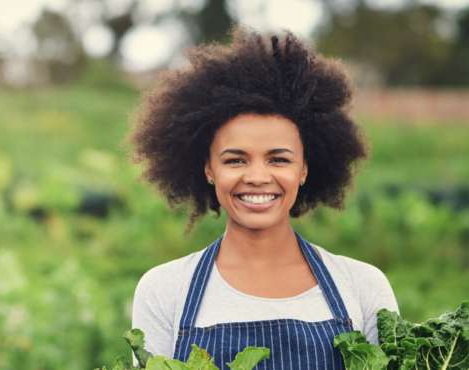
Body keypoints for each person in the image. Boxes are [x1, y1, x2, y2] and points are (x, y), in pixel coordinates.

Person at [127, 27, 398, 370]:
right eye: (235, 159)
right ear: (208, 169)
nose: (257, 176)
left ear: (304, 169)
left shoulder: (363, 286)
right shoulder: (164, 290)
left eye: (278, 159)